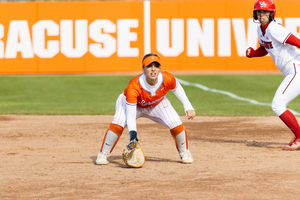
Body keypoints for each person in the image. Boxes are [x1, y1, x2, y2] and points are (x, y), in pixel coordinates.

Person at [96, 53, 196, 165]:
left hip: (156, 103)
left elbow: (177, 89)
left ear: (160, 68)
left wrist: (188, 106)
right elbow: (130, 116)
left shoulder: (167, 78)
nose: (153, 69)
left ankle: (184, 152)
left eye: (156, 66)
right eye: (149, 66)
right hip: (132, 105)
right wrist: (133, 137)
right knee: (118, 122)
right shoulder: (134, 86)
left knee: (175, 122)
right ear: (143, 69)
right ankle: (103, 154)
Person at [246, 0, 300, 150]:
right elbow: (265, 48)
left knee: (277, 105)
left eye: (265, 12)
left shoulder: (274, 28)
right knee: (279, 104)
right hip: (292, 70)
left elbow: (297, 42)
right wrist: (254, 54)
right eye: (259, 12)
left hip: (296, 69)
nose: (261, 15)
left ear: (271, 14)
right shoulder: (261, 30)